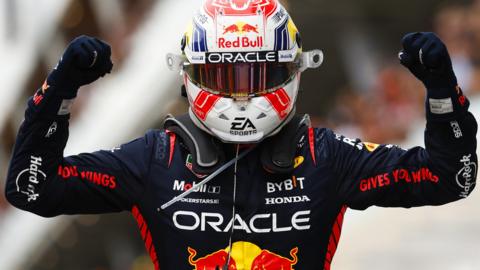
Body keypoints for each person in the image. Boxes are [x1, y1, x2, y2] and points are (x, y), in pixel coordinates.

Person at [5, 0, 477, 269]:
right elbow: (32, 187)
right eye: (225, 78)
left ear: (291, 70)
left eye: (258, 75)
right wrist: (57, 93)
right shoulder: (153, 158)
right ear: (190, 76)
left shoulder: (326, 157)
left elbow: (449, 179)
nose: (242, 97)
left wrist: (442, 95)